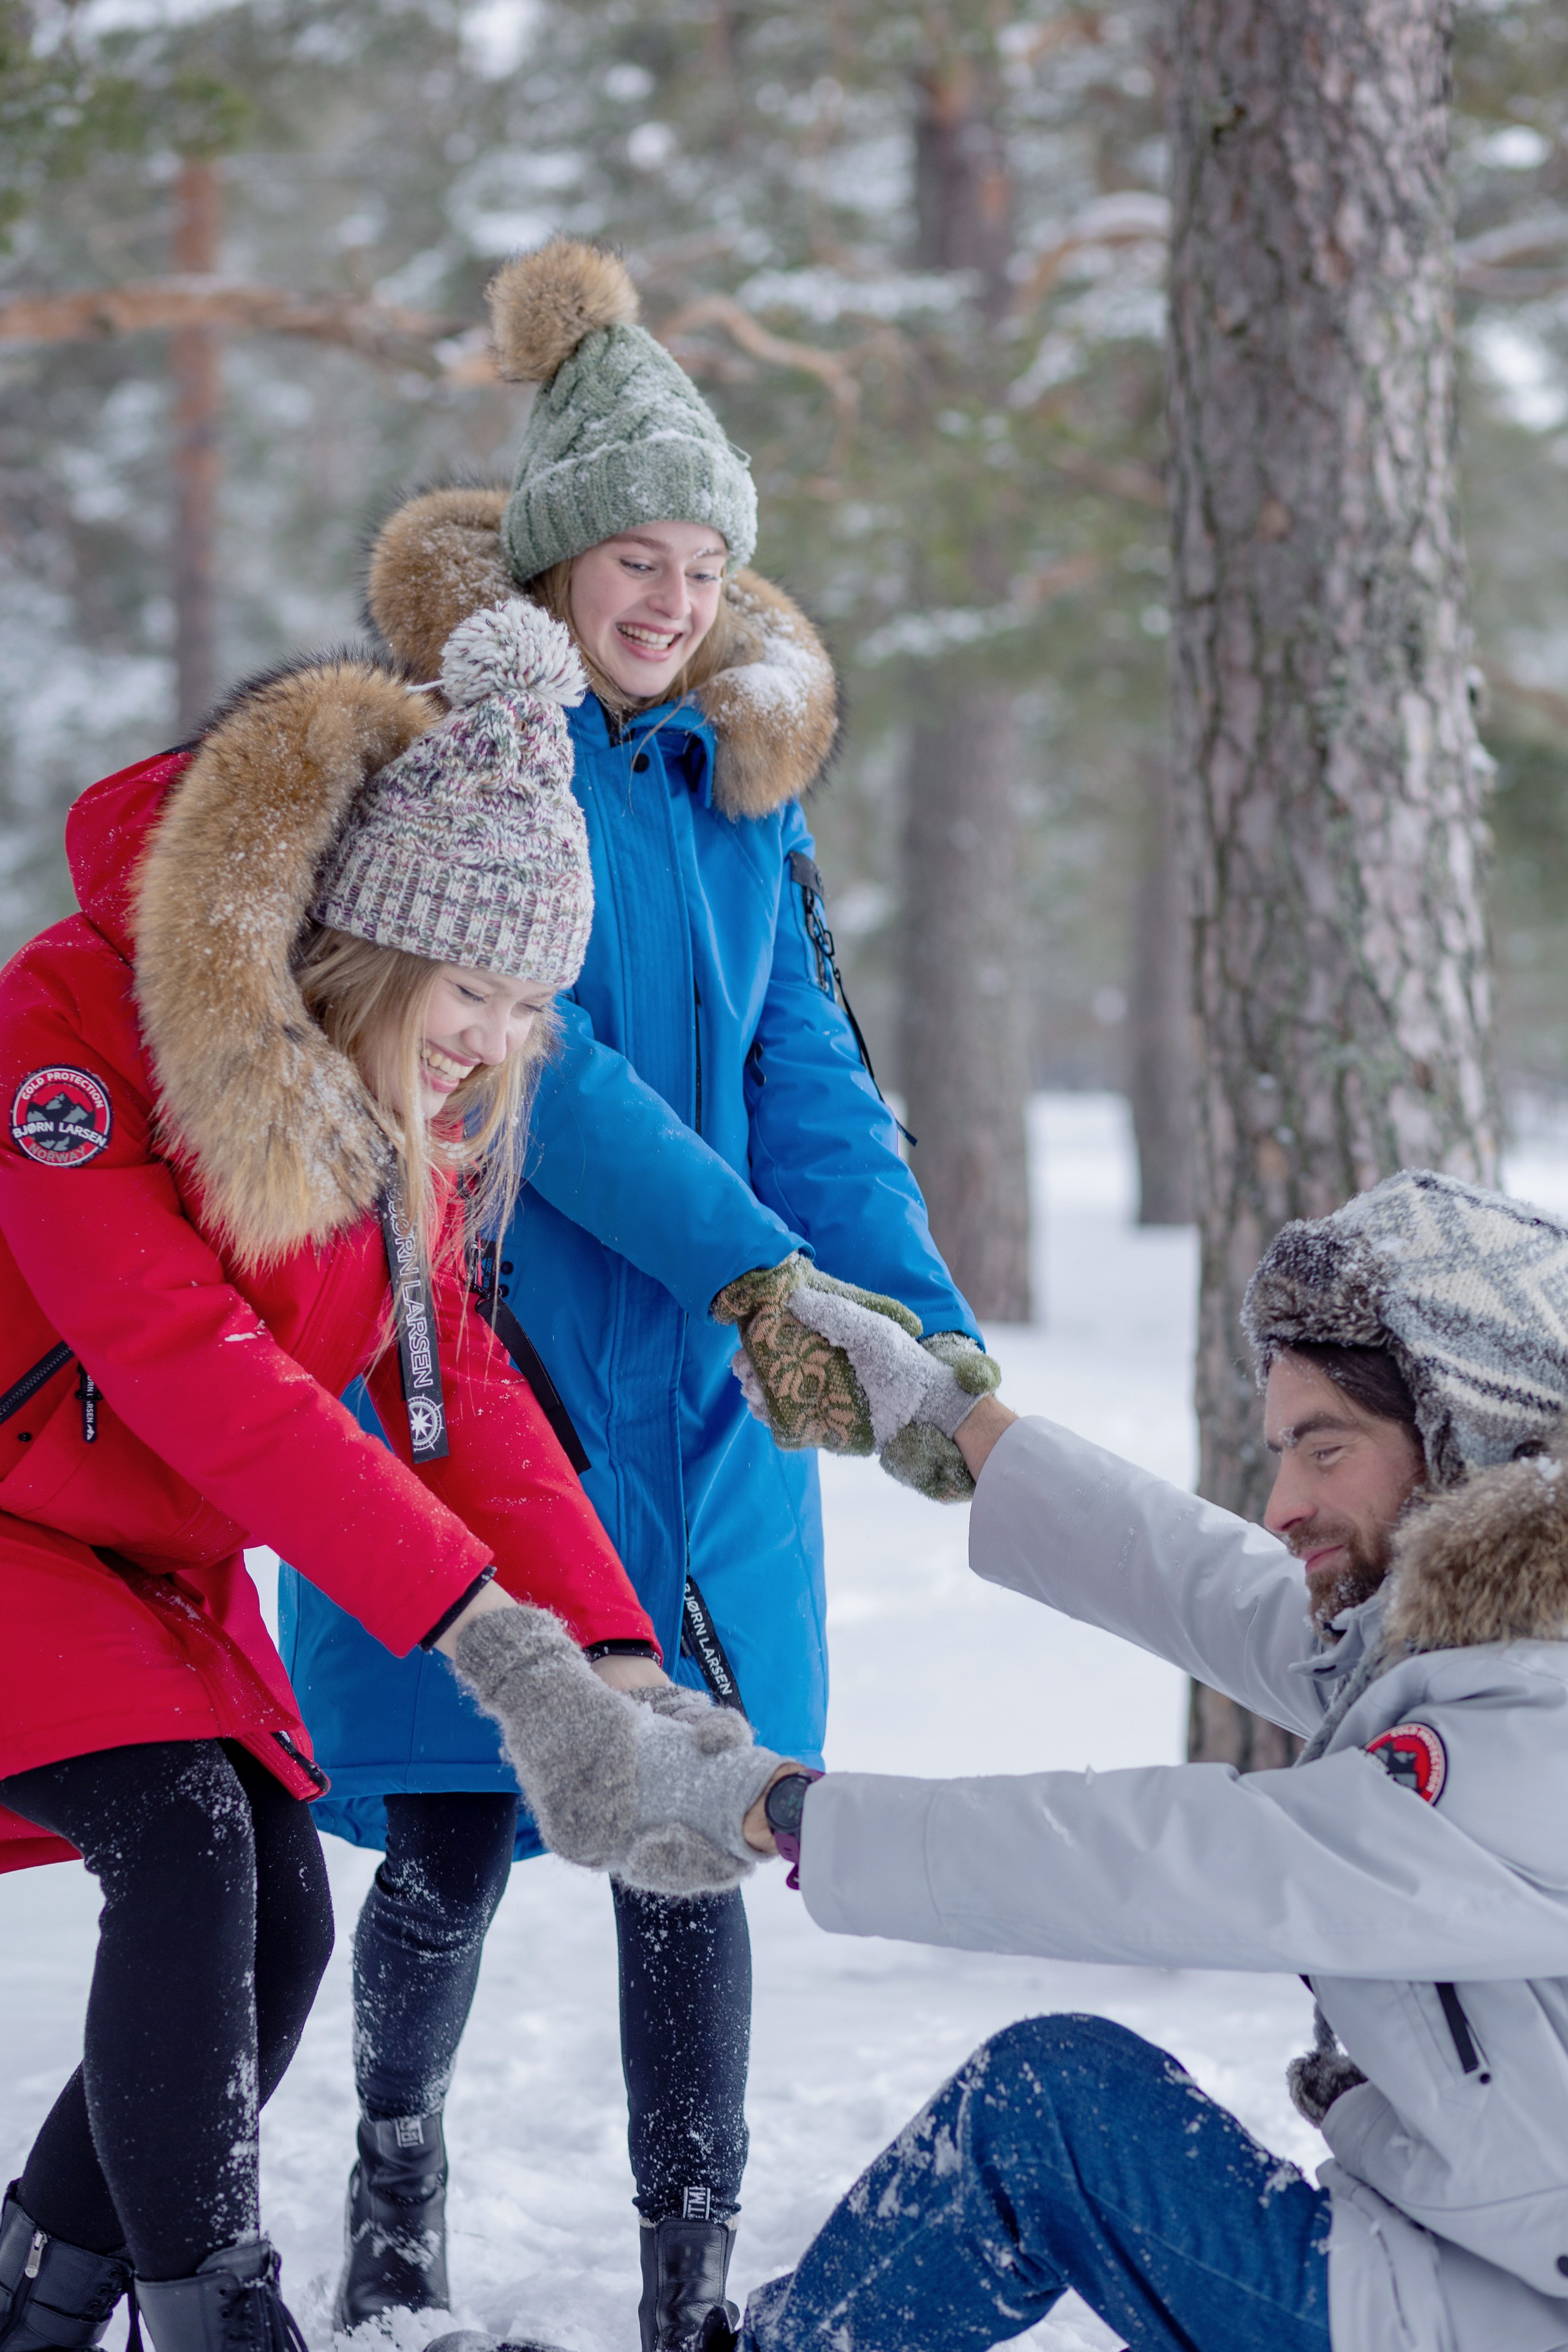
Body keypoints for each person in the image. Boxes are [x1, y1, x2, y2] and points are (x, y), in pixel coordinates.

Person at [276, 237, 997, 2350]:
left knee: (696, 1825)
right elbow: (532, 1065)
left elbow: (815, 1083)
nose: (672, 596)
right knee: (455, 1828)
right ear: (563, 561)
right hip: (481, 1350)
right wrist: (757, 1267)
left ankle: (693, 2267)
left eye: (705, 562)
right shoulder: (459, 759)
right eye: (636, 557)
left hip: (702, 1388)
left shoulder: (742, 806)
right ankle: (393, 2173)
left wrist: (912, 1316)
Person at [0, 600, 787, 2352]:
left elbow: (455, 1398)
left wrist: (611, 1658)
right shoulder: (73, 1026)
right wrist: (489, 1644)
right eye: (476, 991)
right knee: (193, 1852)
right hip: (17, 1530)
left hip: (151, 1564)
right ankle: (221, 2313)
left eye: (531, 1006)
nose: (497, 1041)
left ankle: (43, 2289)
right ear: (378, 943)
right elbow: (183, 1366)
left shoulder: (390, 1116)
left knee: (281, 1912)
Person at [677, 1167, 1568, 2352]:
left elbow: (1179, 1861)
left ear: (1469, 1437)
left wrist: (783, 1813)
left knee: (1049, 2110)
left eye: (1326, 1449)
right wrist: (952, 1423)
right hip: (1475, 2264)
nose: (1284, 1503)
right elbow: (1223, 1590)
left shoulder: (1528, 1735)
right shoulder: (1490, 1642)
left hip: (1486, 2315)